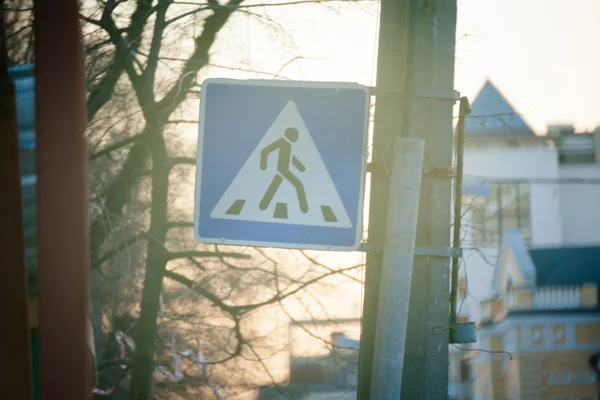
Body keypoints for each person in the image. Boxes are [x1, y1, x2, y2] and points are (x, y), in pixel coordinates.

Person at [259, 127, 308, 213]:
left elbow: (290, 157)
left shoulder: (288, 145)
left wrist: (300, 167)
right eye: (295, 135)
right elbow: (265, 151)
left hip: (283, 170)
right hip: (282, 170)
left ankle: (262, 206)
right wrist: (263, 166)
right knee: (299, 185)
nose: (297, 138)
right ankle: (304, 209)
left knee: (273, 187)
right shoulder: (281, 142)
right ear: (290, 135)